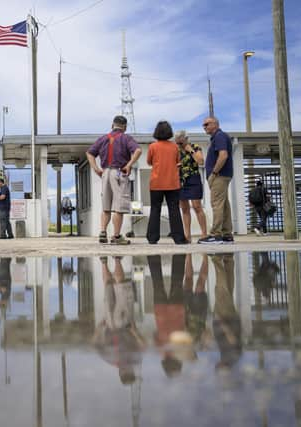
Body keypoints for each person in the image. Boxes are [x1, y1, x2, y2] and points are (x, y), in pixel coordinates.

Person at [87, 115, 142, 245]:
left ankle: (102, 232)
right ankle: (116, 236)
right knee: (119, 207)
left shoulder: (103, 139)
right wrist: (129, 165)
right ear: (125, 127)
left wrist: (96, 168)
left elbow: (89, 153)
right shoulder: (126, 138)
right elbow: (138, 150)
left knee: (106, 206)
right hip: (119, 172)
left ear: (112, 125)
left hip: (105, 172)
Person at [92, 256, 145, 385]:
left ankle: (116, 260)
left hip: (121, 323)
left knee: (119, 287)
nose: (127, 370)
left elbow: (142, 344)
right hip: (113, 324)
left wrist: (99, 331)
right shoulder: (112, 360)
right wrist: (99, 331)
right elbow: (96, 345)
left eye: (128, 372)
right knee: (109, 286)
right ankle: (105, 262)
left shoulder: (128, 359)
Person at [148, 254, 190, 377]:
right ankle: (153, 256)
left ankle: (179, 256)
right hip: (161, 312)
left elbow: (186, 333)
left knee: (177, 282)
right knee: (157, 283)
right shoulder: (161, 350)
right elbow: (155, 336)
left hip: (177, 310)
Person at [146, 121, 187, 244]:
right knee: (174, 209)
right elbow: (177, 161)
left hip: (156, 183)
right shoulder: (175, 146)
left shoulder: (152, 146)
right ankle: (179, 238)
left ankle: (152, 238)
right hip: (172, 183)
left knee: (155, 209)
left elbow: (149, 162)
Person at [199, 117, 234, 245]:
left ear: (215, 124)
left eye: (207, 124)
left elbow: (223, 155)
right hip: (223, 175)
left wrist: (214, 173)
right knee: (224, 204)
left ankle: (215, 235)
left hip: (219, 176)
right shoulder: (219, 137)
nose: (204, 127)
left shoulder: (219, 136)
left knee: (217, 204)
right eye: (203, 125)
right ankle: (227, 234)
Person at [175, 130, 208, 242]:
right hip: (180, 180)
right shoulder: (176, 150)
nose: (179, 144)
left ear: (186, 139)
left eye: (181, 142)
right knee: (184, 208)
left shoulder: (195, 147)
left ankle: (204, 234)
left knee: (197, 206)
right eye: (177, 142)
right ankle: (187, 235)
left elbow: (201, 161)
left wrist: (191, 151)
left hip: (193, 179)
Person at [211, 253, 242, 369]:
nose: (217, 365)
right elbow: (233, 340)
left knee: (228, 288)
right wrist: (222, 325)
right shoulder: (229, 357)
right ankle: (216, 260)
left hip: (231, 319)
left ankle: (229, 260)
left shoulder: (232, 358)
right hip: (225, 318)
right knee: (221, 290)